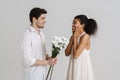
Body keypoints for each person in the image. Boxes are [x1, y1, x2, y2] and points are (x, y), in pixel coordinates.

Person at [22, 7, 56, 80]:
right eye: (42, 18)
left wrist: (50, 58)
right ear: (34, 19)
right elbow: (28, 60)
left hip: (43, 73)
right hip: (33, 75)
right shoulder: (27, 35)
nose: (45, 21)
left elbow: (43, 53)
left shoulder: (41, 34)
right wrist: (47, 62)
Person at [65, 15, 97, 80]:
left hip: (82, 68)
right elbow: (67, 53)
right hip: (73, 66)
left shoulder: (85, 36)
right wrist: (73, 38)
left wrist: (75, 38)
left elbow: (76, 55)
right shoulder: (73, 37)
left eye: (75, 23)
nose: (72, 25)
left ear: (82, 25)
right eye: (72, 23)